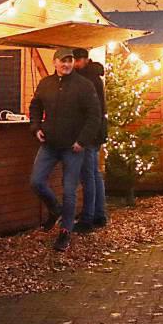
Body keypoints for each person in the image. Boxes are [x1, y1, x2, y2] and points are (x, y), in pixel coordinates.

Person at [29, 48, 101, 251]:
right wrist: (36, 128)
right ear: (55, 63)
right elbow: (35, 106)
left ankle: (65, 231)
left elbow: (94, 116)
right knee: (36, 181)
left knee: (69, 190)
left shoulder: (84, 86)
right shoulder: (46, 84)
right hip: (50, 144)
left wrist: (82, 141)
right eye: (63, 61)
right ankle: (55, 209)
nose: (66, 64)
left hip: (73, 147)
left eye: (69, 61)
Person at [73, 48, 108, 233]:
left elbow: (88, 109)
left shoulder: (87, 79)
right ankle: (99, 214)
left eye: (76, 61)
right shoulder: (95, 76)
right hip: (97, 131)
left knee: (88, 175)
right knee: (94, 174)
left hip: (89, 132)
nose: (74, 65)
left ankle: (87, 218)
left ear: (83, 60)